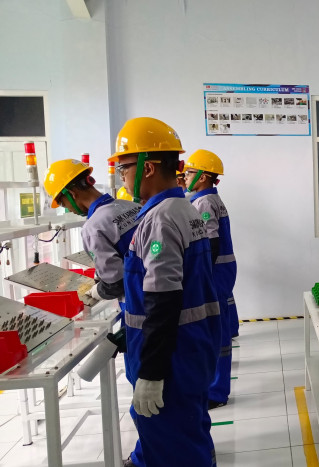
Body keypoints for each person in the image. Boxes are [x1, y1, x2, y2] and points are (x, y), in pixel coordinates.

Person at [110, 117, 220, 467]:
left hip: (172, 358)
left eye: (124, 167)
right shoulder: (184, 209)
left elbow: (164, 301)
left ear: (149, 167)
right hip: (190, 349)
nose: (122, 176)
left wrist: (152, 373)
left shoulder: (160, 220)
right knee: (187, 435)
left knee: (176, 448)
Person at [43, 159, 141, 378]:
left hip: (137, 304)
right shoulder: (132, 207)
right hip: (165, 297)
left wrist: (96, 292)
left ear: (72, 193)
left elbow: (115, 284)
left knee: (142, 371)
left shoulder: (93, 226)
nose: (67, 208)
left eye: (62, 202)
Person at [183, 149, 238, 409]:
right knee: (220, 329)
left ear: (203, 177)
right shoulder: (208, 198)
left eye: (190, 173)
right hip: (222, 272)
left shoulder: (203, 202)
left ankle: (216, 391)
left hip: (216, 272)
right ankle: (216, 387)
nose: (184, 176)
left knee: (217, 333)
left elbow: (211, 243)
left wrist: (199, 275)